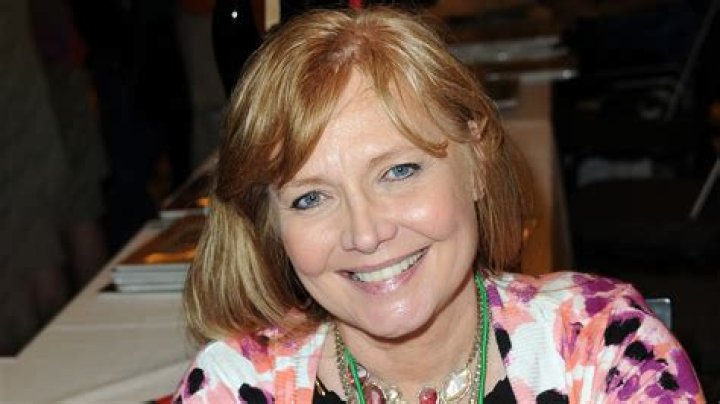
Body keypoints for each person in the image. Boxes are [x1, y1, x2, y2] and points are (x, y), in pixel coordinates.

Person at [174, 7, 704, 403]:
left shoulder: (602, 349)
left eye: (399, 171)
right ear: (271, 223)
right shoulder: (235, 385)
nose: (365, 233)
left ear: (476, 161)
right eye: (310, 197)